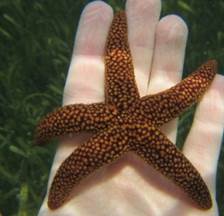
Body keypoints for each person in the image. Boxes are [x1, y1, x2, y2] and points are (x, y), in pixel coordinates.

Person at [38, 0, 224, 215]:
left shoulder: (118, 116)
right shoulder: (146, 128)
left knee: (67, 124)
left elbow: (70, 162)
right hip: (136, 125)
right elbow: (182, 94)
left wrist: (43, 132)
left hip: (121, 120)